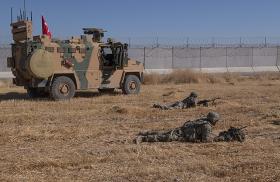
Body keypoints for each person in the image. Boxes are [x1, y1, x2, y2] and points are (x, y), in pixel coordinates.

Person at [134, 112, 220, 144]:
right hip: (183, 135)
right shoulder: (207, 126)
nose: (216, 122)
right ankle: (143, 138)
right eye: (216, 120)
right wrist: (216, 139)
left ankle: (145, 133)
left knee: (164, 133)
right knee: (165, 137)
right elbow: (205, 140)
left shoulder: (203, 120)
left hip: (181, 130)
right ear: (213, 120)